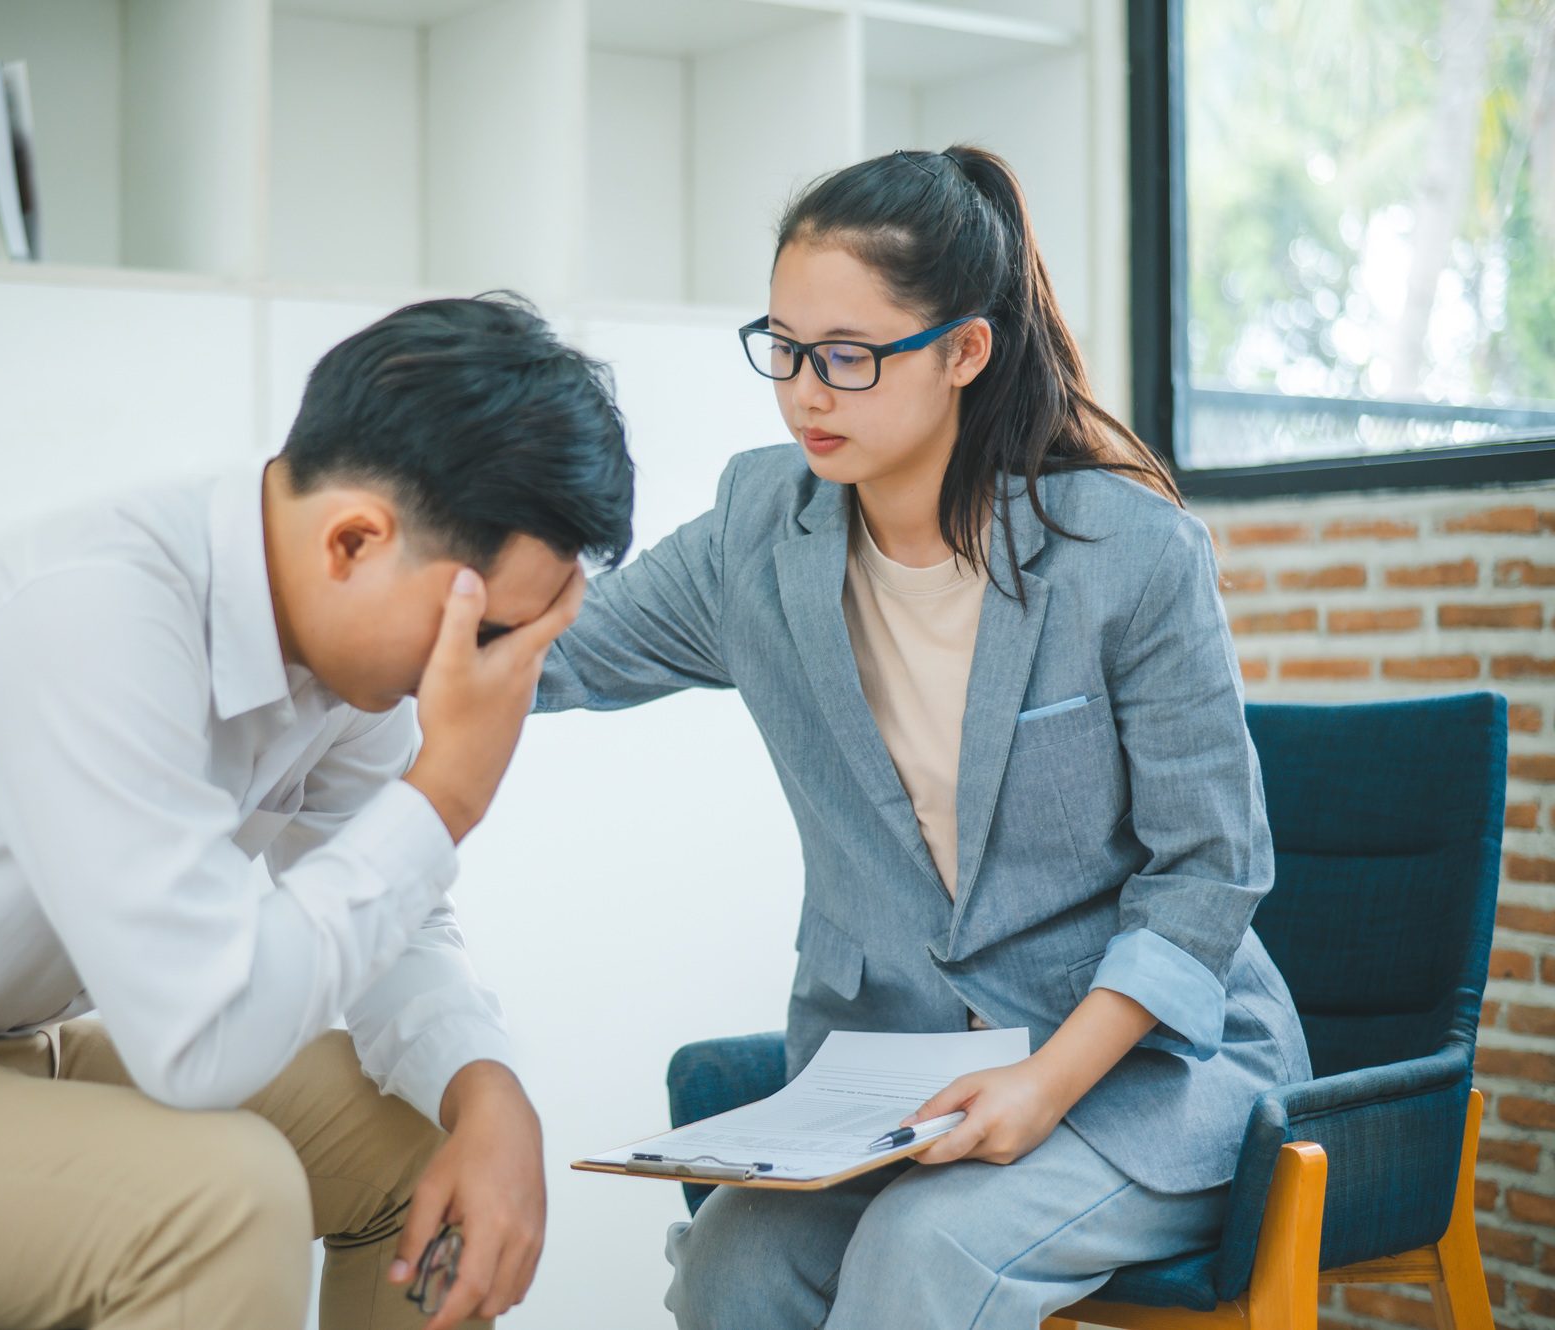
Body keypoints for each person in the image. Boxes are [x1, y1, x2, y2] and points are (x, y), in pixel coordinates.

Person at [0, 294, 635, 1330]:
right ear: (354, 540)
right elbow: (202, 1039)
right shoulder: (95, 617)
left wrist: (481, 1088)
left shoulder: (344, 672)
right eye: (486, 630)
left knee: (415, 1136)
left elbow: (390, 925)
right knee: (220, 1198)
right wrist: (445, 793)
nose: (484, 677)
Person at [533, 147, 1310, 1328]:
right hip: (897, 1081)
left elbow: (1209, 871)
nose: (803, 393)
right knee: (726, 1263)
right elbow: (559, 652)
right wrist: (378, 625)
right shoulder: (760, 532)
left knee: (924, 1248)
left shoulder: (1126, 555)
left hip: (1143, 1077)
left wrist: (1045, 1083)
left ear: (961, 351)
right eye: (783, 349)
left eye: (846, 357)